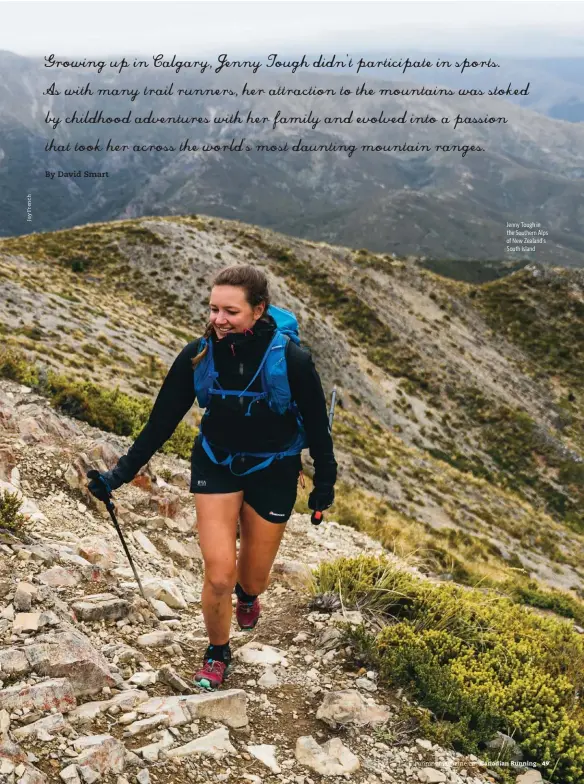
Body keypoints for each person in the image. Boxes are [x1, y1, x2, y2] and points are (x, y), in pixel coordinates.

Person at [87, 264, 337, 690]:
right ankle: (217, 651)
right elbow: (161, 421)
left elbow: (317, 426)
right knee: (219, 573)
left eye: (231, 311)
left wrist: (324, 485)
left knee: (252, 577)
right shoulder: (198, 354)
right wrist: (118, 474)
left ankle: (250, 596)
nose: (219, 319)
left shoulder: (292, 360)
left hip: (274, 468)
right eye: (214, 309)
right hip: (215, 463)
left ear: (259, 310)